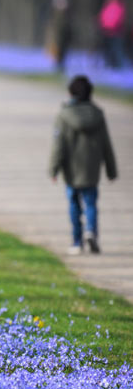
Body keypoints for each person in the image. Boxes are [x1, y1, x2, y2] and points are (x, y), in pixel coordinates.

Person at [48, 76, 118, 255]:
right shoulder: (98, 114)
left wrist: (53, 169)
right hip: (91, 169)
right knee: (91, 203)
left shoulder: (64, 115)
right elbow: (106, 144)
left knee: (74, 204)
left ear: (70, 93)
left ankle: (77, 241)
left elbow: (58, 145)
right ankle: (91, 231)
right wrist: (111, 170)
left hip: (71, 170)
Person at [98, 0, 127, 69]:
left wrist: (114, 26)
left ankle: (119, 67)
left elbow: (119, 18)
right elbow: (103, 16)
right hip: (106, 31)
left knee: (117, 50)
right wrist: (101, 24)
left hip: (116, 32)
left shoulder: (119, 5)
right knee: (107, 51)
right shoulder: (107, 5)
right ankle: (109, 66)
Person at [44, 0, 73, 73]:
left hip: (63, 38)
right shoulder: (52, 15)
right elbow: (51, 29)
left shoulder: (67, 15)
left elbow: (68, 29)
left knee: (62, 54)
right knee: (56, 54)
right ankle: (56, 67)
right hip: (56, 38)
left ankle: (60, 67)